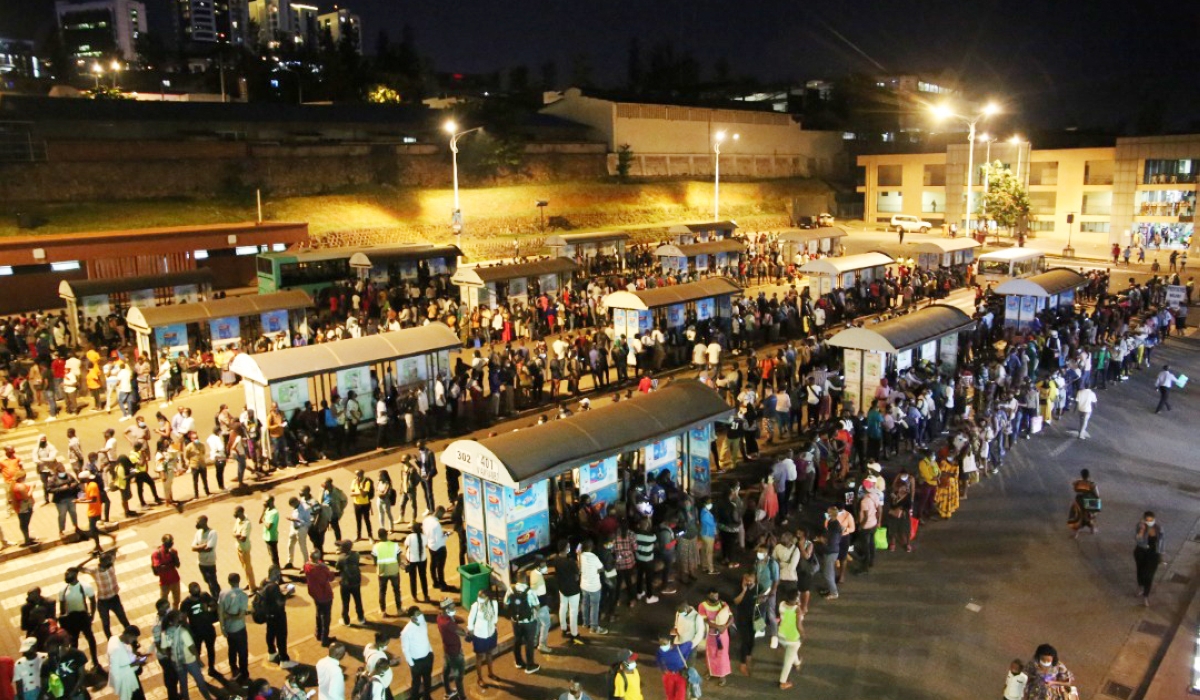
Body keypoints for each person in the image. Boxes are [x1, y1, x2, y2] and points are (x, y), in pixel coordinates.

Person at [82, 550, 131, 639]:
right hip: (103, 602)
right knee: (106, 624)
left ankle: (134, 642)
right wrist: (90, 558)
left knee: (124, 620)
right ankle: (110, 641)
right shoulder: (95, 571)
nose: (110, 561)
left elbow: (113, 552)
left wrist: (111, 550)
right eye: (108, 561)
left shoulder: (110, 565)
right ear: (102, 562)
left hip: (115, 599)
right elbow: (78, 568)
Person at [506, 572, 541, 674]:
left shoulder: (510, 589)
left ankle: (519, 662)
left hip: (515, 621)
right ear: (526, 579)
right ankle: (530, 666)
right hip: (528, 621)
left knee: (517, 640)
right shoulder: (530, 592)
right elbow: (537, 607)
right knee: (529, 642)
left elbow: (505, 604)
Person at [217, 572, 250, 683]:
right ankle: (244, 673)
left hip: (228, 628)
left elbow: (220, 611)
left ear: (228, 581)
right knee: (243, 652)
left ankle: (233, 667)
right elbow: (240, 616)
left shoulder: (223, 593)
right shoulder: (242, 595)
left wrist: (222, 627)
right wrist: (231, 615)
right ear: (239, 580)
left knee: (232, 649)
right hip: (239, 629)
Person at [260, 566, 294, 668]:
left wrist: (280, 590)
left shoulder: (264, 582)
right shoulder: (273, 587)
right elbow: (280, 602)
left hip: (268, 615)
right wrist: (287, 594)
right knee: (281, 637)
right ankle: (284, 659)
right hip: (278, 615)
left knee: (270, 634)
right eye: (278, 574)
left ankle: (271, 652)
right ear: (275, 574)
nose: (279, 576)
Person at [698, 587, 732, 686]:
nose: (716, 597)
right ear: (708, 595)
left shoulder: (723, 604)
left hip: (722, 634)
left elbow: (731, 617)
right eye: (713, 595)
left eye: (716, 595)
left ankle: (722, 675)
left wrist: (725, 626)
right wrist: (718, 627)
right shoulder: (702, 606)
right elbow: (705, 620)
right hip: (711, 634)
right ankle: (711, 671)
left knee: (722, 654)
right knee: (711, 653)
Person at [399, 605, 434, 700]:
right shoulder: (406, 632)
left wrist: (430, 651)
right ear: (412, 617)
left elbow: (425, 637)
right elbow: (405, 649)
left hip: (427, 657)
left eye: (420, 612)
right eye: (418, 614)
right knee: (416, 683)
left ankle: (427, 697)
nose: (421, 614)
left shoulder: (423, 622)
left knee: (427, 680)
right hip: (416, 662)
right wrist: (411, 664)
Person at [467, 588, 499, 688]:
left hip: (491, 633)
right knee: (479, 657)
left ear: (488, 597)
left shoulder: (494, 603)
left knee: (489, 653)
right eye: (479, 596)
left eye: (482, 597)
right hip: (479, 635)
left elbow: (495, 618)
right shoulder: (475, 606)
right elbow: (470, 619)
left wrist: (492, 625)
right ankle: (479, 678)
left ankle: (490, 673)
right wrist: (471, 631)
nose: (479, 598)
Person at [436, 598, 466, 700]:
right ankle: (462, 697)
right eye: (452, 607)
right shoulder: (448, 623)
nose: (454, 609)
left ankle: (448, 690)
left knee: (446, 670)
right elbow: (461, 632)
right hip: (455, 651)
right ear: (445, 609)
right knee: (459, 675)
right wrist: (468, 633)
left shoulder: (440, 617)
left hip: (447, 649)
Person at [303, 552, 335, 646]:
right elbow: (331, 577)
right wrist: (329, 570)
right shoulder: (322, 569)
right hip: (324, 595)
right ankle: (325, 638)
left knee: (318, 613)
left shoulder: (307, 566)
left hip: (314, 594)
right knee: (326, 617)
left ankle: (318, 633)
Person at [107, 626, 147, 700]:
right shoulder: (116, 648)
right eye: (133, 638)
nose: (133, 641)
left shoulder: (115, 639)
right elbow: (115, 670)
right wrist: (134, 664)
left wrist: (136, 657)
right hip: (126, 682)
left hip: (130, 677)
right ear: (128, 635)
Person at [1134, 511, 1165, 606]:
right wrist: (1142, 530)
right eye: (1147, 520)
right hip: (1141, 552)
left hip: (1153, 554)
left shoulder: (1159, 528)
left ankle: (1146, 596)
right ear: (1144, 519)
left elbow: (1161, 542)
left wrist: (1161, 556)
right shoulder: (1140, 526)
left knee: (1149, 575)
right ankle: (1140, 586)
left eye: (1151, 520)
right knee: (1140, 571)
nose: (1149, 522)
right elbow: (1138, 540)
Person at [777, 589, 805, 689]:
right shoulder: (797, 610)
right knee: (788, 662)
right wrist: (803, 634)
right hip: (792, 638)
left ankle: (797, 663)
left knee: (791, 652)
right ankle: (783, 682)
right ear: (796, 598)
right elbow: (799, 626)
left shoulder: (782, 604)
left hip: (781, 635)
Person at [371, 529, 403, 615]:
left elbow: (374, 560)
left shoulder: (376, 547)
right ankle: (399, 609)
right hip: (394, 571)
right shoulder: (395, 545)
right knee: (396, 590)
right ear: (386, 535)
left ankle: (383, 611)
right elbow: (399, 559)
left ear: (378, 536)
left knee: (382, 591)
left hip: (382, 572)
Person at [557, 541, 582, 643]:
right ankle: (574, 633)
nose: (569, 547)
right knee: (573, 611)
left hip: (562, 588)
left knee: (563, 607)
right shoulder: (570, 562)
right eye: (568, 546)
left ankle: (563, 627)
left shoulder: (556, 559)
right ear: (565, 548)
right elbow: (578, 571)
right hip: (573, 589)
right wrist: (579, 556)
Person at [654, 633, 693, 700]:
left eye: (664, 643)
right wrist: (663, 669)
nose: (662, 645)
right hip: (669, 675)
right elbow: (658, 661)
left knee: (679, 697)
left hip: (680, 675)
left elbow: (690, 643)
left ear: (669, 641)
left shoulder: (678, 649)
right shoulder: (659, 651)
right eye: (661, 643)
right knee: (670, 696)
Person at [336, 539, 366, 626]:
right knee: (358, 600)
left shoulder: (341, 558)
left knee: (345, 603)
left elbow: (338, 567)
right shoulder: (356, 555)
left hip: (345, 583)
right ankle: (361, 618)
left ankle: (346, 620)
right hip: (356, 582)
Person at [192, 515, 220, 597]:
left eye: (198, 522)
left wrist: (199, 547)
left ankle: (218, 597)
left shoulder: (212, 533)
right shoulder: (198, 533)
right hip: (201, 562)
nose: (196, 524)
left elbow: (209, 549)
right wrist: (203, 545)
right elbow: (193, 547)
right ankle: (214, 596)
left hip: (210, 562)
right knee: (207, 581)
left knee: (213, 582)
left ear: (204, 522)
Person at [150, 534, 182, 608]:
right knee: (164, 602)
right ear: (164, 542)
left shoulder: (173, 551)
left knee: (177, 601)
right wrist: (170, 564)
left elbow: (178, 565)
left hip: (175, 580)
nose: (171, 544)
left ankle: (175, 613)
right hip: (164, 582)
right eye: (169, 542)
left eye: (171, 542)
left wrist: (174, 556)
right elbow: (158, 567)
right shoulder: (157, 553)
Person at [1067, 469, 1100, 539]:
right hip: (1089, 501)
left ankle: (1076, 534)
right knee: (1090, 516)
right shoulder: (1092, 484)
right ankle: (1092, 530)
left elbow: (1075, 489)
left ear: (1081, 475)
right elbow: (1097, 495)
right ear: (1089, 475)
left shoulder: (1077, 483)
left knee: (1078, 517)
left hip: (1079, 501)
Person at [232, 506, 257, 595]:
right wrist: (237, 535)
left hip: (245, 548)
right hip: (239, 547)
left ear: (241, 512)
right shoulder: (238, 520)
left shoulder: (247, 523)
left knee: (248, 568)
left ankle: (253, 588)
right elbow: (233, 532)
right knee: (244, 567)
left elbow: (243, 538)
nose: (234, 514)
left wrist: (237, 535)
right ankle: (249, 583)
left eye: (236, 512)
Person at [423, 507, 449, 590]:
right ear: (440, 513)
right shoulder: (437, 524)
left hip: (431, 546)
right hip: (439, 547)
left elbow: (425, 532)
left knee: (433, 564)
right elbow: (440, 539)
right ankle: (442, 584)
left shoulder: (426, 520)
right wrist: (447, 534)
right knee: (440, 567)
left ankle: (435, 582)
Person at [403, 524, 430, 602]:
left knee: (412, 579)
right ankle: (426, 596)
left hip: (412, 560)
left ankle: (414, 596)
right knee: (423, 577)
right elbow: (426, 546)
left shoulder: (410, 537)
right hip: (422, 559)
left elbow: (406, 546)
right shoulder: (424, 537)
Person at [284, 496, 311, 569]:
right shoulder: (295, 508)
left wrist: (297, 520)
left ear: (295, 502)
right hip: (293, 529)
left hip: (301, 529)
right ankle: (289, 562)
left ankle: (306, 564)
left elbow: (308, 523)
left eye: (292, 505)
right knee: (290, 545)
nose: (292, 507)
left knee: (302, 547)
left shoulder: (305, 509)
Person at [350, 470, 374, 540]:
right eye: (356, 475)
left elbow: (364, 495)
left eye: (358, 475)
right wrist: (359, 493)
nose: (357, 477)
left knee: (367, 520)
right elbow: (351, 493)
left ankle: (370, 536)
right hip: (356, 504)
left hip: (365, 504)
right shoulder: (354, 481)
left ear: (362, 474)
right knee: (358, 520)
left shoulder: (367, 482)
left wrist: (359, 486)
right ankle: (358, 535)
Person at [261, 496, 281, 569]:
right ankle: (277, 571)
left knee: (274, 558)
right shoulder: (267, 510)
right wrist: (263, 510)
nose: (264, 503)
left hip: (272, 538)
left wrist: (264, 520)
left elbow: (269, 526)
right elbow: (260, 520)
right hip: (266, 537)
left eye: (266, 501)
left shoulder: (274, 513)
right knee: (271, 556)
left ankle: (279, 576)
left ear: (272, 502)